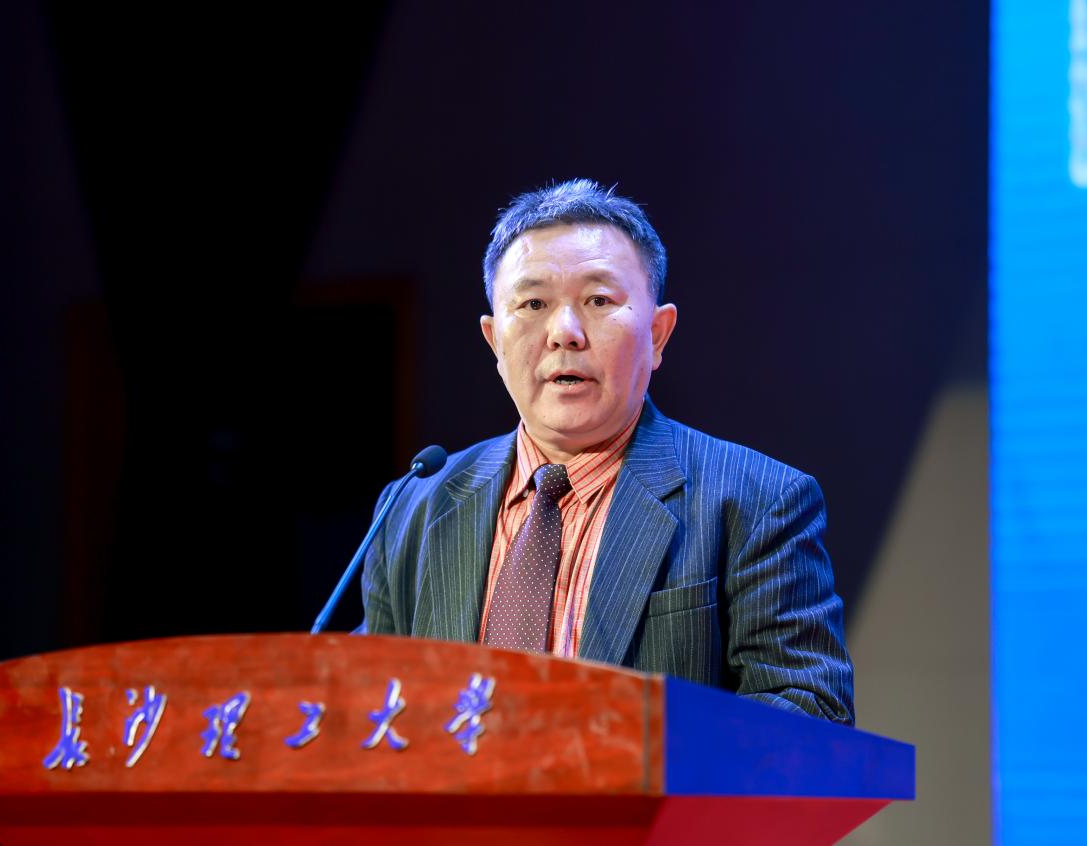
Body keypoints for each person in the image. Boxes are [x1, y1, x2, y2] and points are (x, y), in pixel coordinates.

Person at [359, 179, 853, 725]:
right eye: (533, 303)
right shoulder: (413, 507)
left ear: (658, 334)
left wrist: (624, 758)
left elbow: (810, 714)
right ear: (494, 340)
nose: (565, 332)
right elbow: (370, 710)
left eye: (598, 301)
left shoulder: (757, 501)